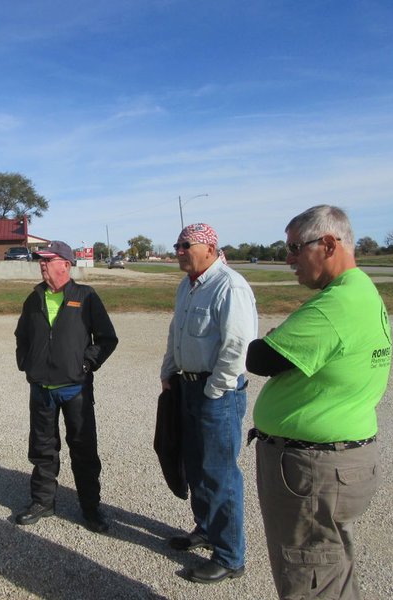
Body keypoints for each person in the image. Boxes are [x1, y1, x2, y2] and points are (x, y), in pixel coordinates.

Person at [246, 205, 392, 600]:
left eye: (294, 248)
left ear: (328, 244)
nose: (288, 259)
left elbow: (259, 358)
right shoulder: (360, 291)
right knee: (330, 568)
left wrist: (275, 338)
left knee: (308, 577)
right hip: (339, 460)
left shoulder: (334, 306)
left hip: (312, 469)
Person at [160, 223, 257, 584]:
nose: (179, 250)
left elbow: (239, 346)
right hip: (186, 387)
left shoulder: (229, 285)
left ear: (209, 247)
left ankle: (231, 556)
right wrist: (169, 370)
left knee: (220, 472)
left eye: (186, 245)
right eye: (177, 245)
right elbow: (176, 333)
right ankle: (205, 528)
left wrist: (214, 389)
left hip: (218, 393)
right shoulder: (186, 286)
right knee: (196, 466)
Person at [14, 241, 118, 533]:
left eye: (48, 259)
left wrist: (86, 364)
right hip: (41, 390)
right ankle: (43, 502)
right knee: (43, 449)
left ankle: (91, 508)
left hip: (75, 389)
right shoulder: (34, 298)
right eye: (41, 260)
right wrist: (26, 363)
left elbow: (107, 339)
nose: (42, 264)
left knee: (83, 449)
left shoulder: (85, 297)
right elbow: (21, 335)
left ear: (67, 265)